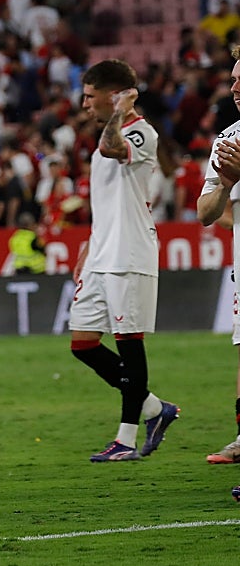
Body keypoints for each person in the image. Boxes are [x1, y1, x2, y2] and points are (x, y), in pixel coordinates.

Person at [69, 59, 179, 462]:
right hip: (101, 251)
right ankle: (155, 409)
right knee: (82, 344)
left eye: (89, 95)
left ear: (114, 95)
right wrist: (88, 242)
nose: (83, 104)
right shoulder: (107, 134)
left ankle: (126, 440)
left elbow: (111, 148)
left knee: (129, 345)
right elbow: (109, 199)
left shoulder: (140, 133)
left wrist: (119, 111)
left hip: (129, 252)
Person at [196, 45, 240, 467]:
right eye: (233, 80)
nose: (236, 88)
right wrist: (227, 184)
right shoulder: (228, 139)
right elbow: (206, 213)